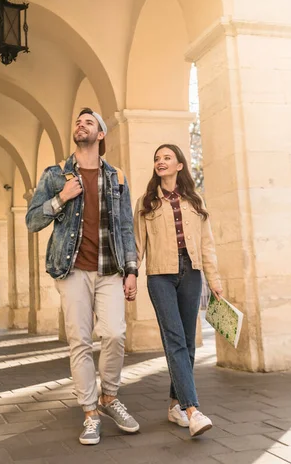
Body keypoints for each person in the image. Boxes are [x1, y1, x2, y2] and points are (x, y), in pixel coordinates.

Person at [26, 108, 140, 445]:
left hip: (110, 269)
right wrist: (62, 198)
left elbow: (124, 226)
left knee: (116, 334)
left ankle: (110, 396)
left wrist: (132, 270)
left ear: (101, 134)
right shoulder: (55, 175)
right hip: (72, 269)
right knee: (80, 342)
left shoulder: (117, 177)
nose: (81, 124)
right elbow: (32, 220)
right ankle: (90, 412)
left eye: (89, 122)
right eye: (78, 121)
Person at [134, 144, 223, 438]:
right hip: (160, 276)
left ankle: (174, 405)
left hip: (192, 272)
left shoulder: (195, 202)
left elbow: (207, 244)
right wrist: (131, 275)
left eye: (166, 158)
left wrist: (215, 279)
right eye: (157, 158)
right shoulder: (146, 202)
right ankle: (192, 410)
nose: (160, 162)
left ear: (180, 165)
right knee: (174, 340)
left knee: (188, 342)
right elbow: (137, 244)